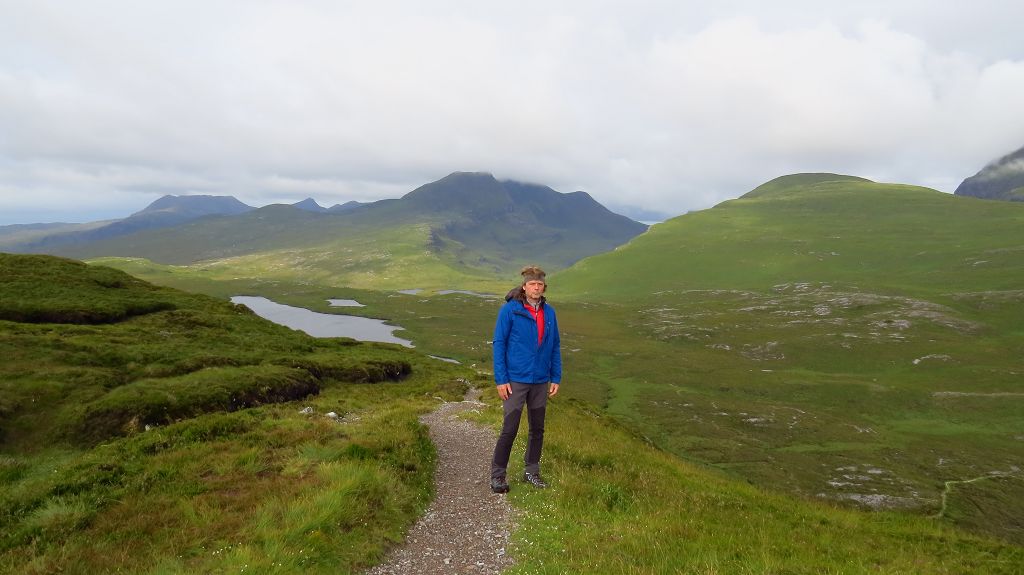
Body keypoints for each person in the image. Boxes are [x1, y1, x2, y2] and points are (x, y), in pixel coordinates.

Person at [490, 265, 561, 493]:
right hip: (516, 380)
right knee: (509, 428)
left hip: (540, 380)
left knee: (537, 429)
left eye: (540, 284)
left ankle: (532, 472)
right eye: (532, 284)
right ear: (524, 286)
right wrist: (501, 379)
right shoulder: (510, 310)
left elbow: (555, 346)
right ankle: (498, 476)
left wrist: (555, 377)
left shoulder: (549, 313)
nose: (536, 287)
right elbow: (499, 344)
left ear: (544, 287)